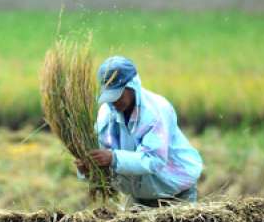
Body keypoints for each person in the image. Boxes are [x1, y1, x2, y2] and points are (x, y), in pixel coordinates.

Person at [76, 56, 203, 207]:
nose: (114, 102)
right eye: (110, 96)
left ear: (132, 86)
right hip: (138, 196)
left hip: (176, 195)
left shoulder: (156, 112)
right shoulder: (106, 114)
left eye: (118, 95)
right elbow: (104, 153)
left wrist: (113, 158)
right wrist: (89, 168)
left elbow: (154, 159)